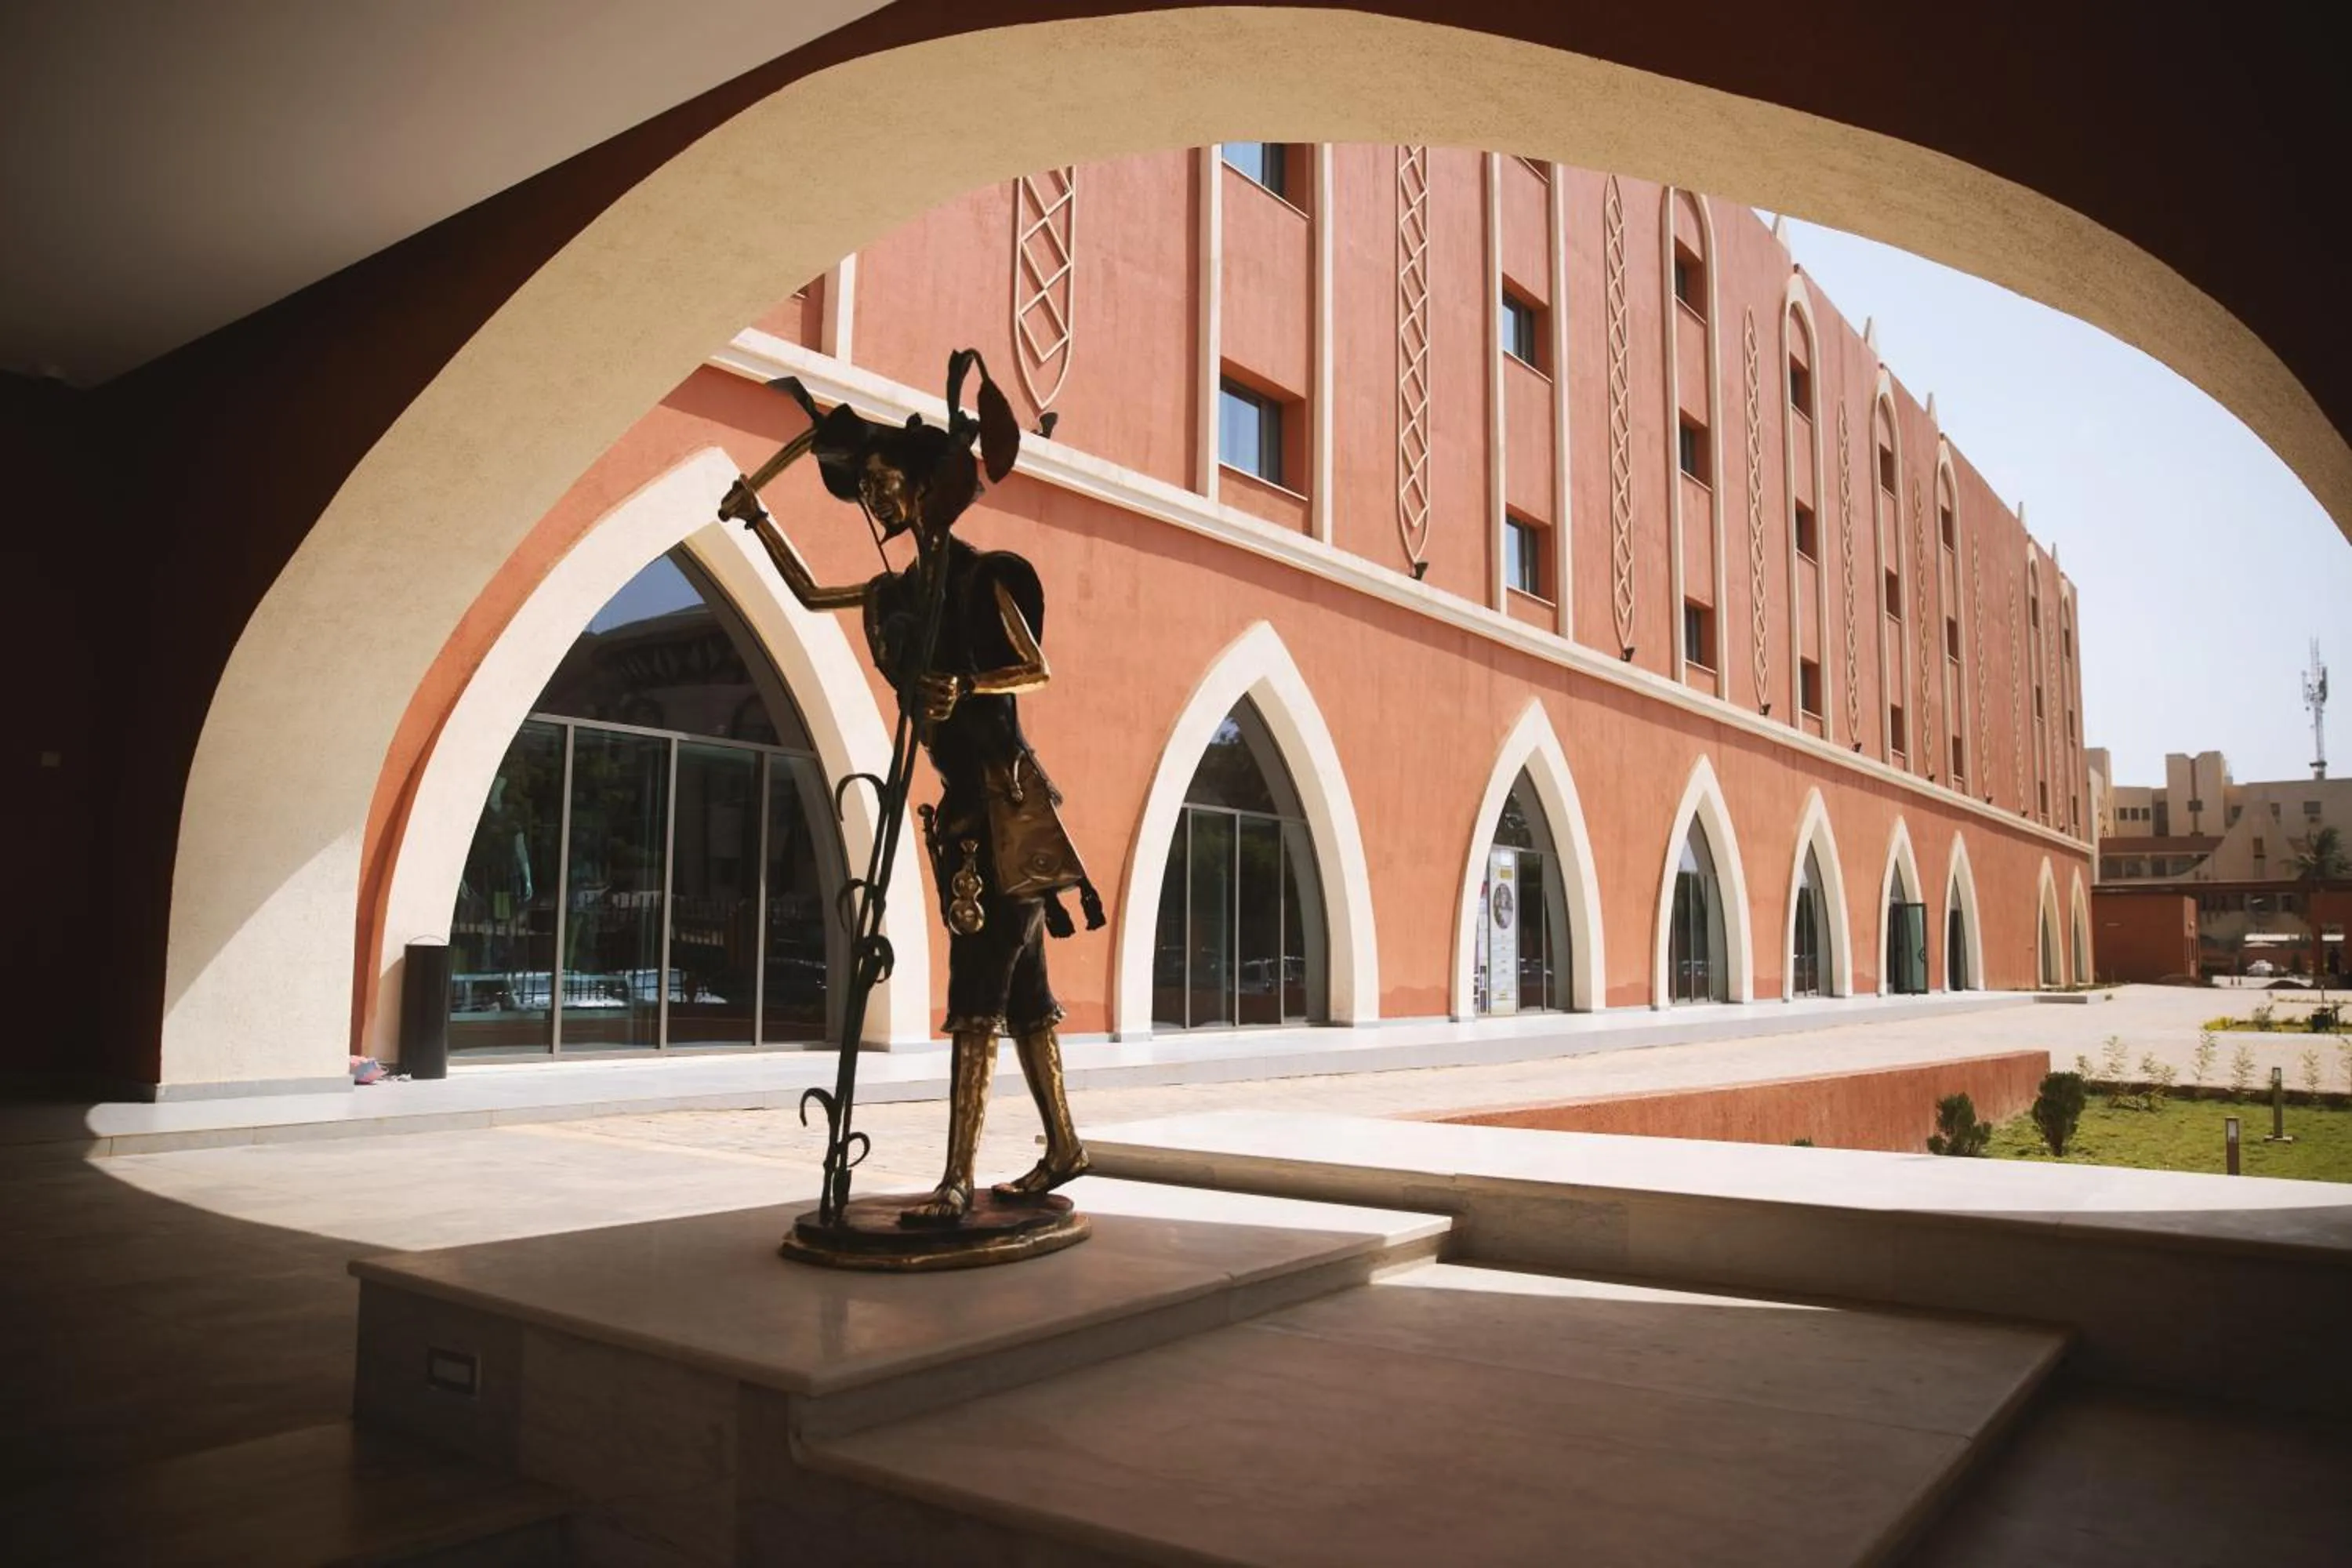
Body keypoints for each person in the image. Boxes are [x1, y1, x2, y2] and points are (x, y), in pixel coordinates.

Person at [732, 354, 1102, 1225]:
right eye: (871, 489)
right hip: (961, 816)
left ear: (929, 486)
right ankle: (1065, 1147)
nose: (881, 498)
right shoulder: (895, 592)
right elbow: (810, 589)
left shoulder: (981, 576)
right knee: (1022, 998)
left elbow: (1036, 669)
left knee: (978, 995)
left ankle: (957, 1180)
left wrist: (966, 687)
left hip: (1010, 810)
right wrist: (757, 520)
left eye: (893, 482)